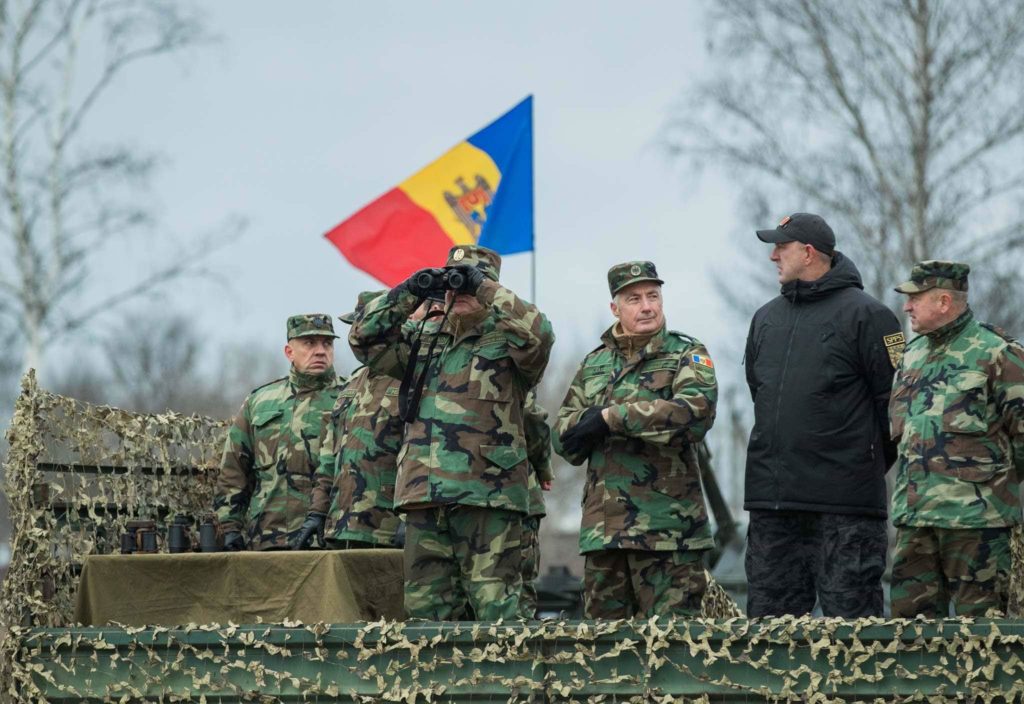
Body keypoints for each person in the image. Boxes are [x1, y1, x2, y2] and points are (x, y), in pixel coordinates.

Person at [349, 244, 555, 620]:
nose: (458, 291)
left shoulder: (510, 342)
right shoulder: (423, 340)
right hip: (424, 495)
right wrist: (410, 290)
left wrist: (483, 287)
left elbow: (540, 333)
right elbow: (364, 339)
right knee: (425, 616)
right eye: (452, 283)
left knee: (499, 613)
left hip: (488, 496)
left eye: (468, 283)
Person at [745, 213, 902, 618]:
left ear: (809, 253)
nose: (773, 256)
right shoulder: (765, 319)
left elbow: (895, 410)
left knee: (853, 638)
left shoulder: (870, 317)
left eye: (781, 247)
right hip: (774, 506)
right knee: (769, 637)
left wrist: (856, 466)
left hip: (846, 510)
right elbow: (759, 394)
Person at [554, 261, 717, 619]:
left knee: (674, 642)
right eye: (634, 299)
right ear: (615, 308)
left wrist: (612, 418)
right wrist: (584, 425)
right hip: (604, 534)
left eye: (652, 296)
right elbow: (563, 436)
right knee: (603, 645)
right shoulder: (594, 365)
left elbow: (694, 412)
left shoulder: (686, 354)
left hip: (668, 532)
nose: (646, 306)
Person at [889, 261, 1024, 617]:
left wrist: (996, 490)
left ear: (944, 301)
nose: (907, 306)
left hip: (977, 526)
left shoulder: (997, 352)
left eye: (915, 298)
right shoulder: (910, 355)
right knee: (910, 636)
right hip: (915, 522)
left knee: (983, 637)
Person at [214, 314, 343, 550]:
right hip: (267, 536)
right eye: (309, 343)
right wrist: (229, 528)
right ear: (289, 352)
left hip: (328, 538)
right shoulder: (261, 401)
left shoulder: (350, 398)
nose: (320, 351)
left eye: (327, 343)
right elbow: (234, 470)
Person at [293, 292, 405, 551]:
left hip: (385, 529)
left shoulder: (412, 378)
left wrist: (409, 518)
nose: (358, 335)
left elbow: (421, 453)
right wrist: (317, 512)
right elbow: (329, 459)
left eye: (365, 327)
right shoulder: (352, 384)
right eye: (356, 327)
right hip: (341, 527)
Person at [520, 390, 553, 619]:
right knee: (515, 595)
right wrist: (543, 466)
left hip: (431, 494)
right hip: (511, 495)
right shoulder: (512, 370)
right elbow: (529, 414)